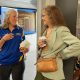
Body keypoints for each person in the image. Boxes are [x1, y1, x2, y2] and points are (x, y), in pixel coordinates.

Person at [35, 5, 80, 80]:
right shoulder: (46, 30)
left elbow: (78, 44)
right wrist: (39, 45)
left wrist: (62, 54)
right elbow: (45, 49)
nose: (42, 18)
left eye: (43, 16)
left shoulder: (61, 30)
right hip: (41, 68)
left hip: (53, 72)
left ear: (51, 16)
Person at [0, 9, 28, 80]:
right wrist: (3, 39)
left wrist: (25, 49)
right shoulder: (1, 29)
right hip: (4, 63)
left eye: (17, 17)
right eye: (14, 16)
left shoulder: (20, 29)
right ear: (8, 18)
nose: (16, 19)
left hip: (18, 62)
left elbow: (24, 44)